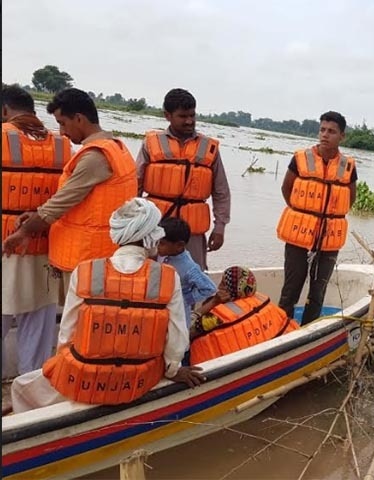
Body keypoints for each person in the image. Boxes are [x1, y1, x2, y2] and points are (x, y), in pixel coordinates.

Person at [10, 198, 205, 413]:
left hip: (85, 378)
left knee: (21, 386)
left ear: (117, 234)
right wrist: (173, 370)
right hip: (140, 380)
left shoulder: (85, 271)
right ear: (152, 237)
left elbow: (66, 336)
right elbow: (177, 339)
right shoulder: (169, 277)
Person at [1, 88, 137, 288]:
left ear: (79, 119)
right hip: (103, 253)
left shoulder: (95, 157)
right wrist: (35, 213)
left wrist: (24, 231)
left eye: (62, 123)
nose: (62, 132)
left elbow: (59, 204)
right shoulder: (117, 148)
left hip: (86, 257)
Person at [1, 85, 69, 378]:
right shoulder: (63, 144)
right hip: (47, 250)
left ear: (5, 110)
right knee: (38, 334)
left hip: (7, 246)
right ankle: (29, 399)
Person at [136, 88, 231, 271]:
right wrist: (134, 226)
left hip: (192, 232)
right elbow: (135, 184)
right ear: (167, 115)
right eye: (183, 116)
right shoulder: (151, 143)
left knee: (193, 278)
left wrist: (220, 228)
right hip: (156, 226)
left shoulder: (209, 148)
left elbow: (221, 192)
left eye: (192, 115)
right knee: (150, 276)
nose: (189, 121)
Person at [276, 111, 357, 324]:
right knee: (290, 290)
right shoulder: (301, 159)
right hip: (298, 236)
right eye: (322, 129)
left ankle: (309, 330)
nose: (325, 135)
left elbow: (349, 199)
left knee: (318, 291)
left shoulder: (348, 166)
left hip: (328, 239)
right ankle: (282, 332)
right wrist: (303, 215)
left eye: (331, 131)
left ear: (342, 136)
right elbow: (287, 188)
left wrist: (329, 217)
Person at [189, 266, 299, 364]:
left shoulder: (215, 317)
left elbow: (185, 331)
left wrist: (212, 303)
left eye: (223, 283)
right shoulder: (262, 302)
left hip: (215, 367)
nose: (219, 287)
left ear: (230, 289)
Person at [157, 217, 218, 329]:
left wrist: (185, 299)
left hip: (178, 317)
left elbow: (209, 288)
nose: (157, 246)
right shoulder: (166, 256)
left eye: (162, 243)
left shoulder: (189, 267)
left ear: (179, 245)